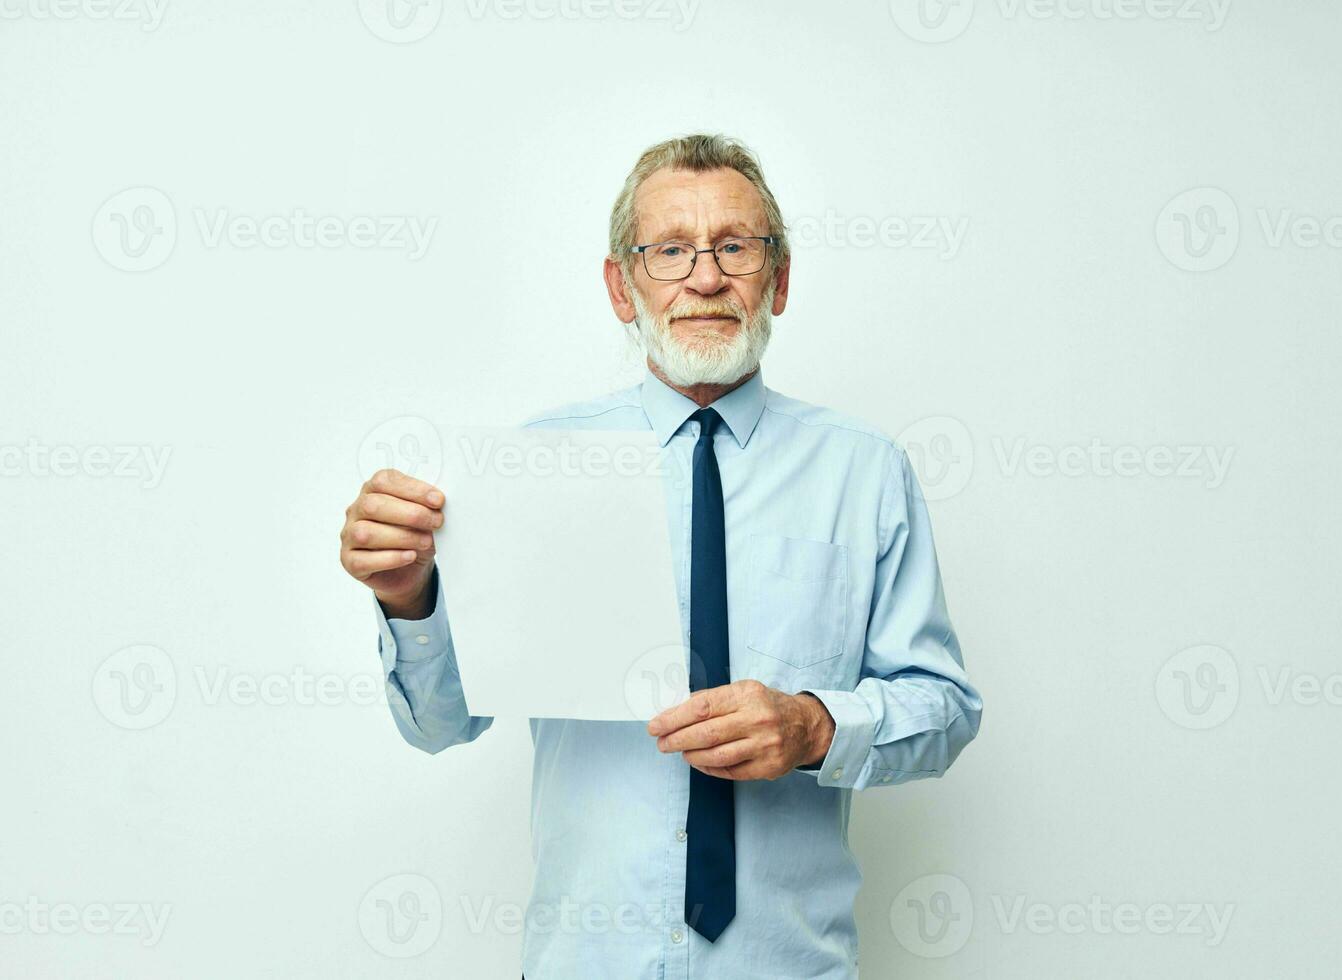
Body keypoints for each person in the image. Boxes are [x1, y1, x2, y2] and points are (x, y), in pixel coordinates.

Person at [338, 133, 983, 979]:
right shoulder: (532, 464)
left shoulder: (864, 472)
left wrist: (816, 726)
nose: (705, 278)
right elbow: (442, 723)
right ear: (621, 286)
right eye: (670, 250)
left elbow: (944, 708)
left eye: (735, 247)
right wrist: (409, 598)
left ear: (778, 280)